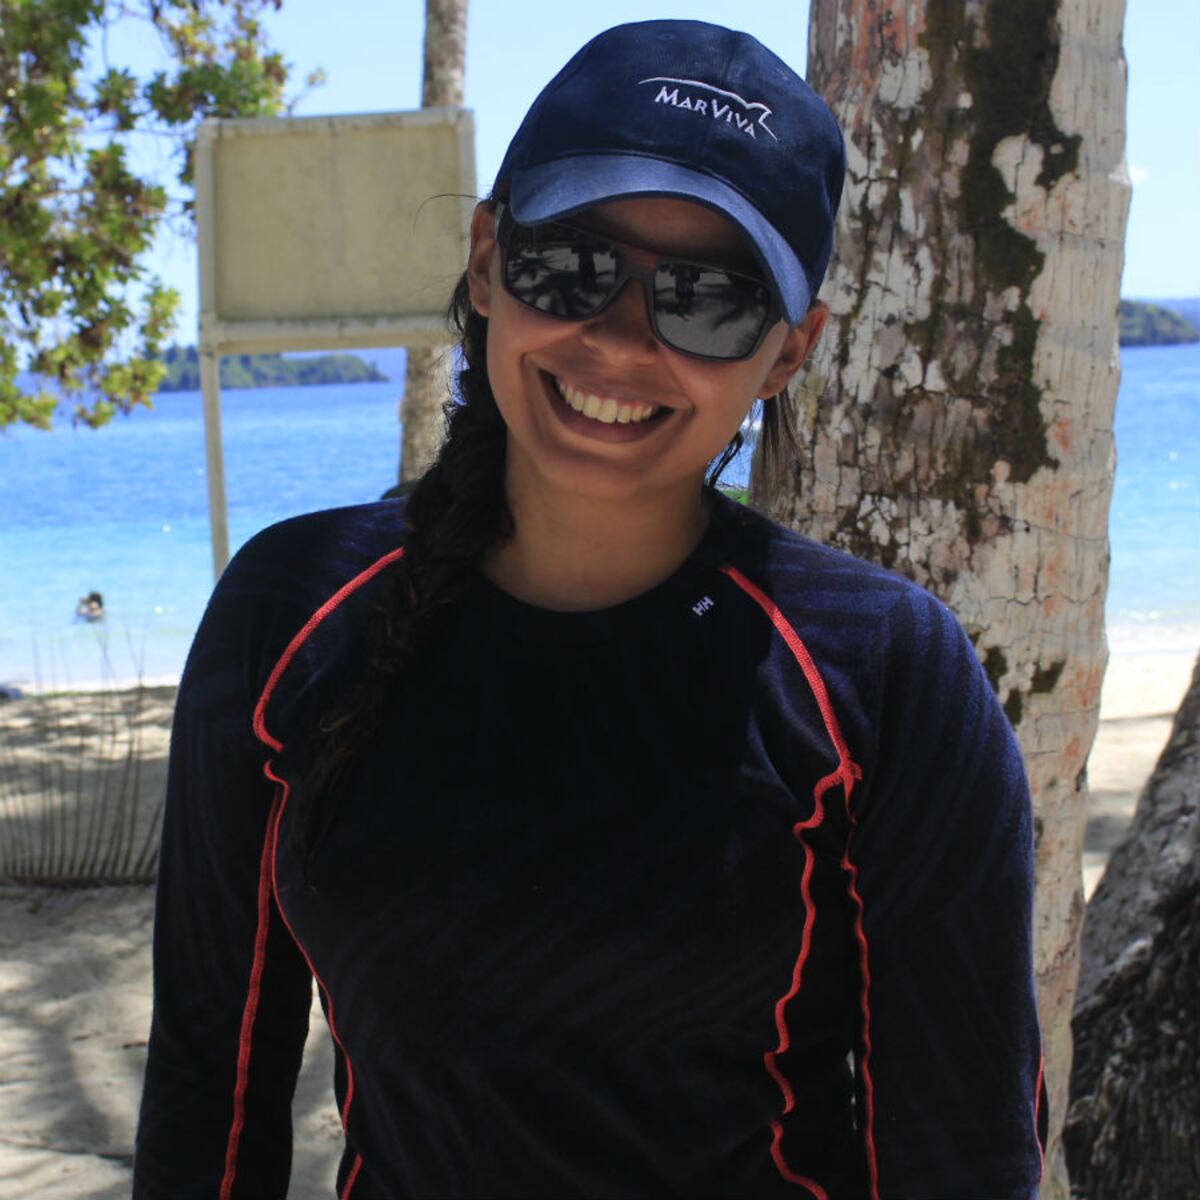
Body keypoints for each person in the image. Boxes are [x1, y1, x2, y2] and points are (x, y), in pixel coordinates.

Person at [134, 19, 1046, 1200]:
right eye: (571, 266)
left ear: (787, 353)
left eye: (708, 303)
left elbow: (962, 1152)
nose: (618, 339)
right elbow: (211, 1082)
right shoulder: (291, 616)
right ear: (485, 259)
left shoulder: (883, 675)